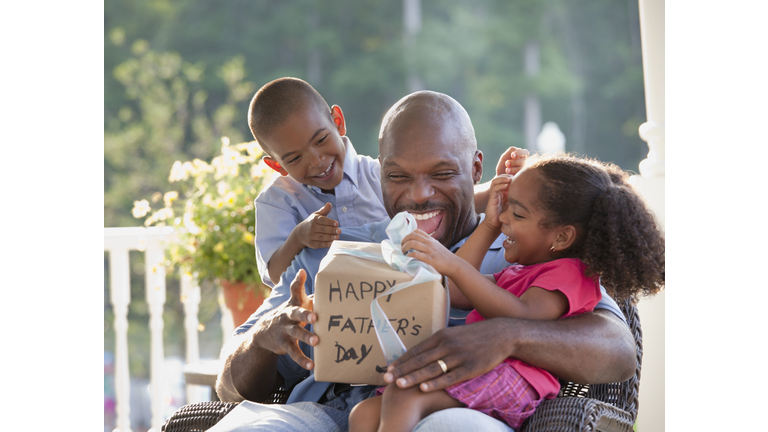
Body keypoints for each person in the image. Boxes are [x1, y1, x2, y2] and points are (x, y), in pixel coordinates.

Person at [212, 91, 637, 432]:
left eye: (440, 173)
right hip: (324, 413)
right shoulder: (336, 249)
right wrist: (265, 337)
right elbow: (230, 385)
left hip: (454, 408)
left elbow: (618, 350)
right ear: (379, 175)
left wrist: (509, 335)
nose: (419, 195)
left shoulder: (524, 251)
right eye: (398, 176)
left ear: (475, 170)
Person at [348, 154, 665, 432]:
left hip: (515, 379)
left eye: (518, 214)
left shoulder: (571, 275)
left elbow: (522, 317)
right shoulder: (520, 273)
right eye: (506, 210)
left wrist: (453, 265)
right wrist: (488, 226)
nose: (504, 220)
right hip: (489, 372)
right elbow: (458, 291)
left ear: (562, 236)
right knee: (364, 414)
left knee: (404, 394)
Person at [249, 77, 528, 287]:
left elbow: (452, 202)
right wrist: (299, 238)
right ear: (277, 165)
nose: (316, 161)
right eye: (295, 158)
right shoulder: (280, 201)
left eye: (321, 140)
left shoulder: (374, 173)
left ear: (338, 121)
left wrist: (501, 186)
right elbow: (277, 278)